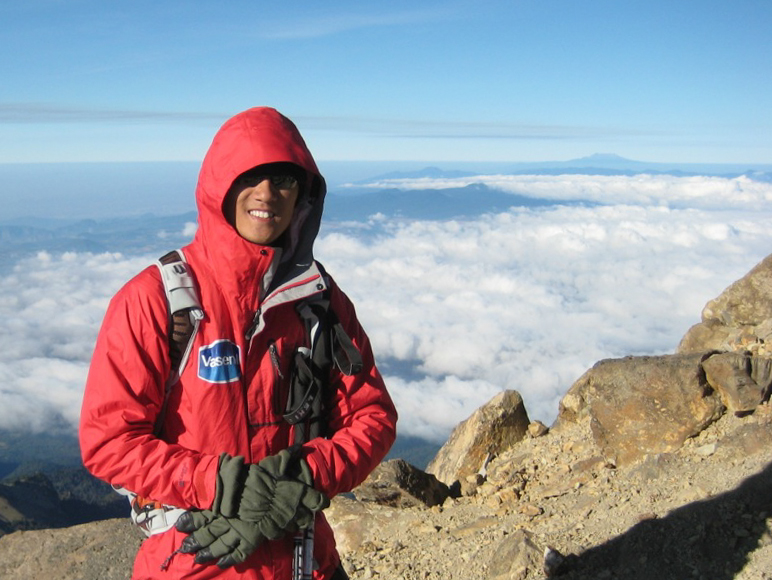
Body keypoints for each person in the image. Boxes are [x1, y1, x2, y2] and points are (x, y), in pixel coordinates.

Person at [79, 107, 398, 580]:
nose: (267, 193)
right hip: (197, 563)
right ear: (219, 188)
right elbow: (109, 441)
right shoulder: (155, 301)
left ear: (303, 195)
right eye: (249, 176)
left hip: (306, 561)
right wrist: (221, 485)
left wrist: (304, 477)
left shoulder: (320, 303)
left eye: (283, 179)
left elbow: (372, 417)